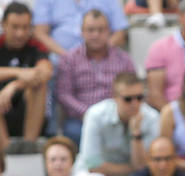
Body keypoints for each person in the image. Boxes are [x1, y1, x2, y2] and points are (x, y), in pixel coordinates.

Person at [0, 1, 52, 147]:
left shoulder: (36, 46)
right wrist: (19, 72)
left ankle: (29, 146)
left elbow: (45, 72)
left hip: (27, 110)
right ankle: (5, 146)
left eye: (25, 27)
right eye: (15, 27)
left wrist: (15, 85)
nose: (20, 34)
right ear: (3, 25)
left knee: (39, 86)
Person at [54, 8, 136, 146]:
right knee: (72, 131)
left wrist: (116, 113)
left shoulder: (124, 59)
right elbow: (64, 94)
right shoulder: (69, 59)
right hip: (81, 119)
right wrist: (88, 113)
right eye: (91, 30)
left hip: (117, 117)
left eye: (101, 30)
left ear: (109, 31)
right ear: (82, 31)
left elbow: (133, 89)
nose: (96, 35)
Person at [74, 71, 156, 176]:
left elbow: (142, 167)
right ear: (115, 98)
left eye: (139, 98)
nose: (135, 104)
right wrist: (132, 169)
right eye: (128, 99)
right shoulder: (96, 114)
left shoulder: (152, 118)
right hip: (93, 175)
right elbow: (93, 165)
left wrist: (136, 135)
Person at [32, 0, 127, 66]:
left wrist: (99, 53)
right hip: (60, 58)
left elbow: (120, 33)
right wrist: (68, 57)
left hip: (101, 57)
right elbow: (40, 33)